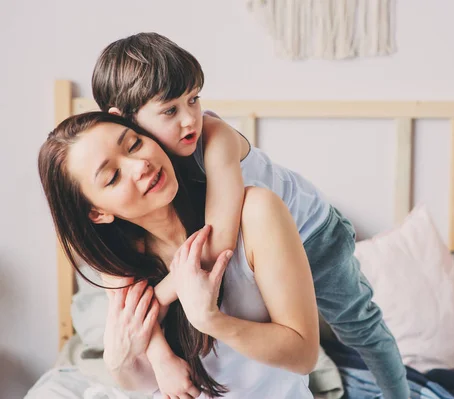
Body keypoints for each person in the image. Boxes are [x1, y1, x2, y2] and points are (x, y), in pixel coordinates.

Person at [92, 32, 409, 399]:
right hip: (262, 254)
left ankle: (399, 394)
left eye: (193, 99)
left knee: (359, 325)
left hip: (314, 235)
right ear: (123, 120)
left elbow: (217, 244)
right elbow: (116, 278)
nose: (189, 120)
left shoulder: (214, 137)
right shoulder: (137, 182)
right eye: (170, 110)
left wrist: (154, 301)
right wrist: (160, 356)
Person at [38, 112, 319, 398]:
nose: (140, 166)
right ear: (97, 212)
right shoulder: (122, 266)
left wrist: (211, 320)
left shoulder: (255, 212)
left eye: (134, 144)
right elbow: (143, 384)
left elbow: (304, 355)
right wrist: (119, 360)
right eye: (113, 177)